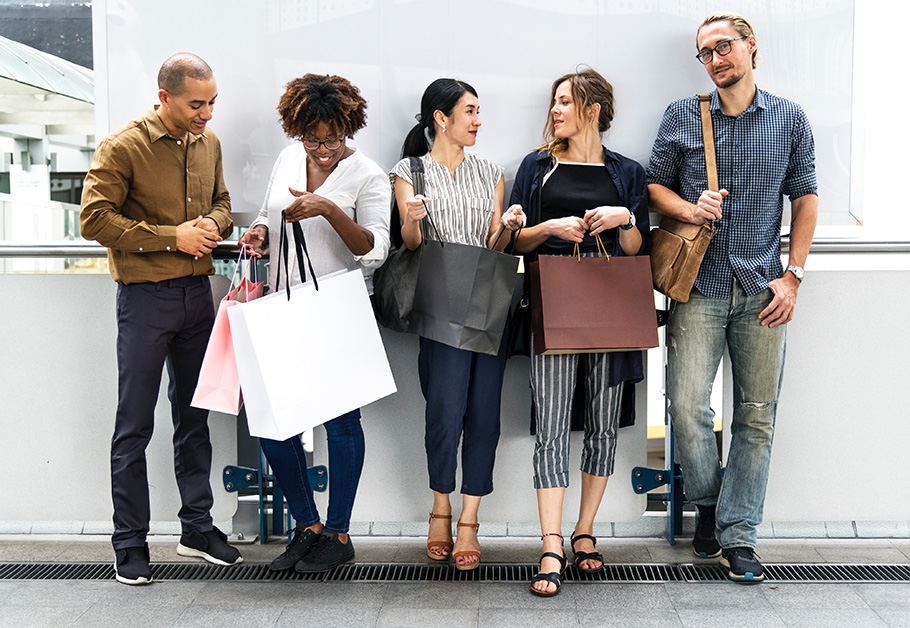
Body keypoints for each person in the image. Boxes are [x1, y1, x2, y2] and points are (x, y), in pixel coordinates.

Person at [646, 13, 818, 583]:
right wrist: (691, 208)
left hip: (763, 286)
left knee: (757, 415)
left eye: (724, 47)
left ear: (751, 48)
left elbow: (806, 199)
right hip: (697, 286)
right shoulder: (683, 116)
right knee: (687, 407)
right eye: (705, 52)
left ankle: (738, 536)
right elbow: (653, 186)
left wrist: (793, 275)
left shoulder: (790, 118)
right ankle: (709, 502)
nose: (716, 58)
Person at [80, 53, 241, 586]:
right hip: (145, 300)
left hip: (199, 296)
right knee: (135, 425)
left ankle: (196, 527)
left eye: (212, 102)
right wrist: (176, 235)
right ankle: (129, 543)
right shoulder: (123, 146)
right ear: (164, 96)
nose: (208, 114)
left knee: (194, 418)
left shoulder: (208, 144)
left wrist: (212, 225)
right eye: (198, 104)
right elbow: (94, 219)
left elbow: (222, 202)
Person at [238, 74, 391, 573]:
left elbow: (376, 248)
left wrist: (327, 207)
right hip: (285, 307)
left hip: (338, 311)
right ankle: (308, 526)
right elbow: (268, 210)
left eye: (331, 139)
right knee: (273, 424)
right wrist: (261, 229)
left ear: (349, 128)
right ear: (297, 129)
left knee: (341, 424)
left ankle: (339, 532)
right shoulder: (288, 157)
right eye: (312, 138)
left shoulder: (368, 174)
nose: (322, 149)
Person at [509, 68, 651, 597]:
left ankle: (584, 532)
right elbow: (514, 243)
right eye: (554, 102)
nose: (555, 111)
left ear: (592, 109)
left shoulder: (627, 172)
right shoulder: (536, 167)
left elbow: (637, 251)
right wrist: (548, 228)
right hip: (553, 307)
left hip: (613, 308)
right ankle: (550, 542)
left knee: (604, 423)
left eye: (565, 102)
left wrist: (623, 219)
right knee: (549, 423)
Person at [390, 78, 523, 571]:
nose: (477, 121)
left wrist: (508, 224)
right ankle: (440, 508)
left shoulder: (490, 170)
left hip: (487, 298)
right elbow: (411, 243)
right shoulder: (410, 170)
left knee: (484, 412)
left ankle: (470, 518)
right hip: (440, 298)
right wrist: (412, 218)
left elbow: (494, 245)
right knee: (444, 409)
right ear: (440, 118)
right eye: (469, 111)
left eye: (479, 111)